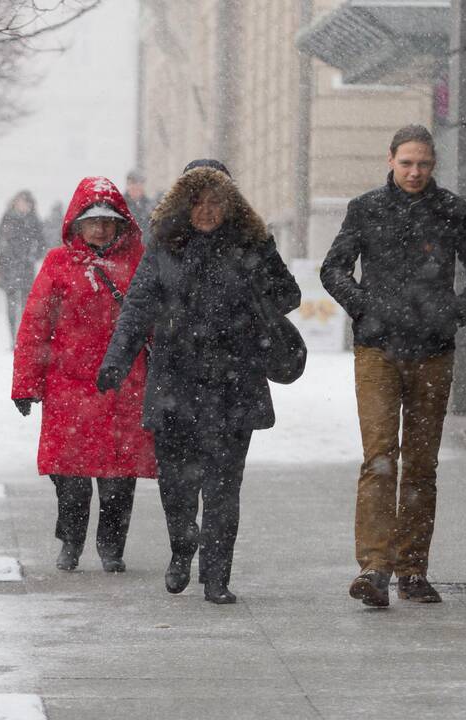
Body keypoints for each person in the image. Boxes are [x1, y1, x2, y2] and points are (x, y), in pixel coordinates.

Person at [98, 159, 301, 604]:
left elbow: (290, 295)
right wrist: (116, 362)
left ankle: (216, 577)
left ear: (231, 205)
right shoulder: (164, 246)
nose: (207, 211)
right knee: (177, 486)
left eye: (217, 202)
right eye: (198, 202)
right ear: (183, 204)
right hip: (176, 383)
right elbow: (136, 310)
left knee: (225, 486)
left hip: (235, 382)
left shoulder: (253, 244)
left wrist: (256, 284)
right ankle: (182, 545)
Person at [320, 125, 466, 608]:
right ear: (391, 160)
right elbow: (333, 268)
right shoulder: (366, 209)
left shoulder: (452, 211)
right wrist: (364, 308)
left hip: (432, 351)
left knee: (421, 464)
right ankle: (375, 567)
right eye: (406, 163)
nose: (415, 172)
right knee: (379, 458)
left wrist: (453, 314)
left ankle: (413, 569)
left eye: (423, 164)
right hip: (378, 349)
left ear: (433, 164)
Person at [11, 177, 156, 573]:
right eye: (92, 221)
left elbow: (154, 321)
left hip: (123, 385)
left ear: (120, 223)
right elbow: (35, 327)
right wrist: (26, 385)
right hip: (69, 387)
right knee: (70, 479)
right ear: (76, 224)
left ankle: (111, 546)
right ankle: (71, 541)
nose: (100, 228)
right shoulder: (58, 263)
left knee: (117, 480)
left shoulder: (139, 261)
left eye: (108, 221)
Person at [0, 190, 48, 345]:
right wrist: (5, 250)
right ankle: (13, 338)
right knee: (11, 304)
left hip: (26, 268)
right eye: (20, 201)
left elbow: (42, 243)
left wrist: (32, 256)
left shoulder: (34, 220)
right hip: (9, 267)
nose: (22, 205)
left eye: (26, 202)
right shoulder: (8, 217)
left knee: (26, 305)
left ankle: (22, 337)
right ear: (15, 202)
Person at [123, 169, 154, 237]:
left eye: (139, 183)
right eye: (133, 183)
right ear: (128, 185)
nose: (136, 187)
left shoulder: (151, 206)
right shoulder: (120, 205)